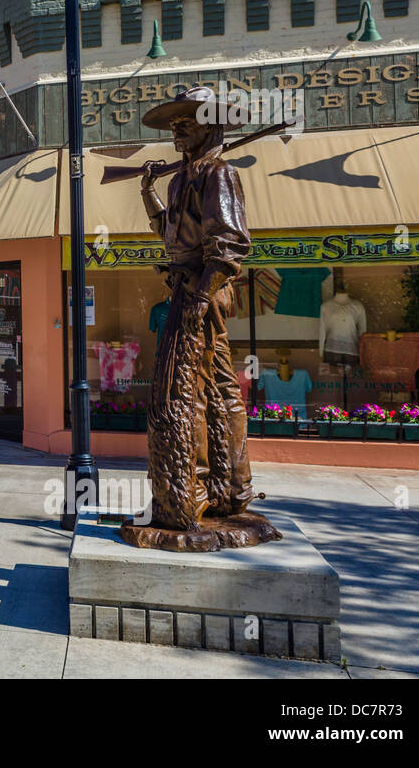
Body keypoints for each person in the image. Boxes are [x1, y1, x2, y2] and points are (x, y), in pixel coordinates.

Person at [138, 86, 254, 534]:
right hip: (186, 289)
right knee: (212, 385)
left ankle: (203, 490)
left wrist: (202, 297)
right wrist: (148, 191)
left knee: (188, 393)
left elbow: (228, 246)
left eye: (186, 123)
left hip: (201, 290)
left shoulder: (218, 173)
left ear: (211, 125)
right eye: (174, 124)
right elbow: (169, 230)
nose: (176, 131)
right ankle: (226, 488)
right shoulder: (181, 178)